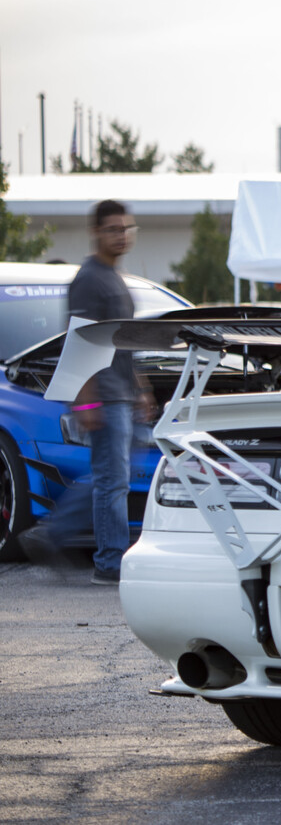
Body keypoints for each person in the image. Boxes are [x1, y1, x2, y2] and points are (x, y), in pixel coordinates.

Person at [25, 200, 152, 585]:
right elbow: (78, 341)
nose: (122, 235)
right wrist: (87, 399)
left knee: (110, 477)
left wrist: (142, 388)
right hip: (105, 397)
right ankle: (110, 561)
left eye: (127, 228)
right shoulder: (89, 279)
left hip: (124, 395)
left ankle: (54, 533)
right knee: (111, 479)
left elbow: (124, 341)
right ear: (96, 232)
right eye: (113, 229)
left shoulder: (116, 277)